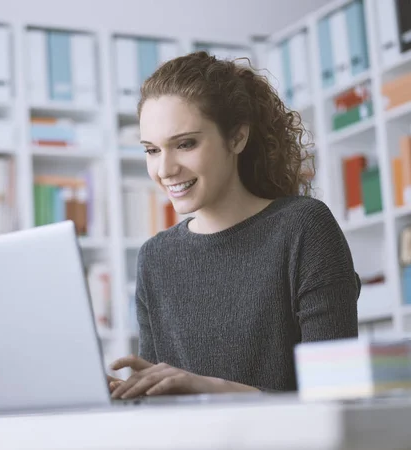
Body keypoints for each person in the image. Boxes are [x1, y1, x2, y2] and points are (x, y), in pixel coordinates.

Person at [107, 51, 360, 400]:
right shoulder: (155, 258)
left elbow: (338, 395)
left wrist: (211, 389)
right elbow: (163, 399)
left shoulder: (304, 228)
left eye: (185, 144)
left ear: (237, 138)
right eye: (152, 150)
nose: (164, 169)